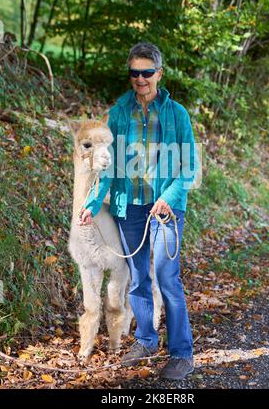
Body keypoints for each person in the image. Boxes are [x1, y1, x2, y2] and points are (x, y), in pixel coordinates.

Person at [78, 42, 198, 380]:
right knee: (136, 278)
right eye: (135, 73)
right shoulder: (118, 113)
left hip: (165, 209)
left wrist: (170, 197)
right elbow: (109, 166)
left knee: (166, 277)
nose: (141, 79)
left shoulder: (177, 114)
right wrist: (92, 203)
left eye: (147, 72)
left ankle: (181, 353)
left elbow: (189, 166)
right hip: (128, 207)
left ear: (159, 73)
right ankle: (145, 340)